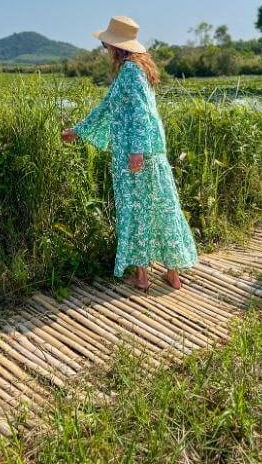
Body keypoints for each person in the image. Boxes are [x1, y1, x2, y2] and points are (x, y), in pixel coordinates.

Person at [61, 15, 199, 291]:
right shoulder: (138, 70)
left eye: (106, 45)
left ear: (117, 47)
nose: (105, 50)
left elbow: (139, 114)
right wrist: (78, 130)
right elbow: (108, 109)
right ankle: (171, 274)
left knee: (135, 210)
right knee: (161, 207)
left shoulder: (130, 73)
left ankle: (143, 276)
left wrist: (136, 152)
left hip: (133, 155)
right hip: (150, 152)